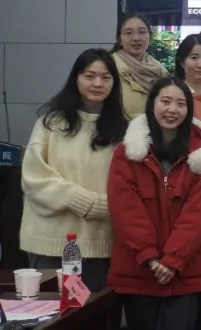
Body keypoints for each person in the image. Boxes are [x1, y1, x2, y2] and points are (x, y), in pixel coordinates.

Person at [108, 76, 201, 330]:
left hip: (186, 268)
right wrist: (149, 256)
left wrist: (173, 259)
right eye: (165, 101)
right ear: (152, 105)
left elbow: (198, 213)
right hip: (138, 265)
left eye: (180, 103)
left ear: (189, 110)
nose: (172, 109)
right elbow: (125, 208)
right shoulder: (127, 153)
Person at [20, 49, 128, 292]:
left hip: (100, 244)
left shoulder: (123, 130)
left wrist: (111, 206)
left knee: (93, 314)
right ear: (76, 78)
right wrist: (86, 202)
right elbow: (34, 178)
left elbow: (130, 185)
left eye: (106, 77)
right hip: (50, 242)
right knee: (48, 315)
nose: (97, 83)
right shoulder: (50, 124)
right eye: (89, 76)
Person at [112, 13, 168, 120]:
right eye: (128, 33)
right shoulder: (109, 67)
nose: (136, 38)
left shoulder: (160, 71)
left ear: (150, 36)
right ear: (119, 39)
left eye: (142, 32)